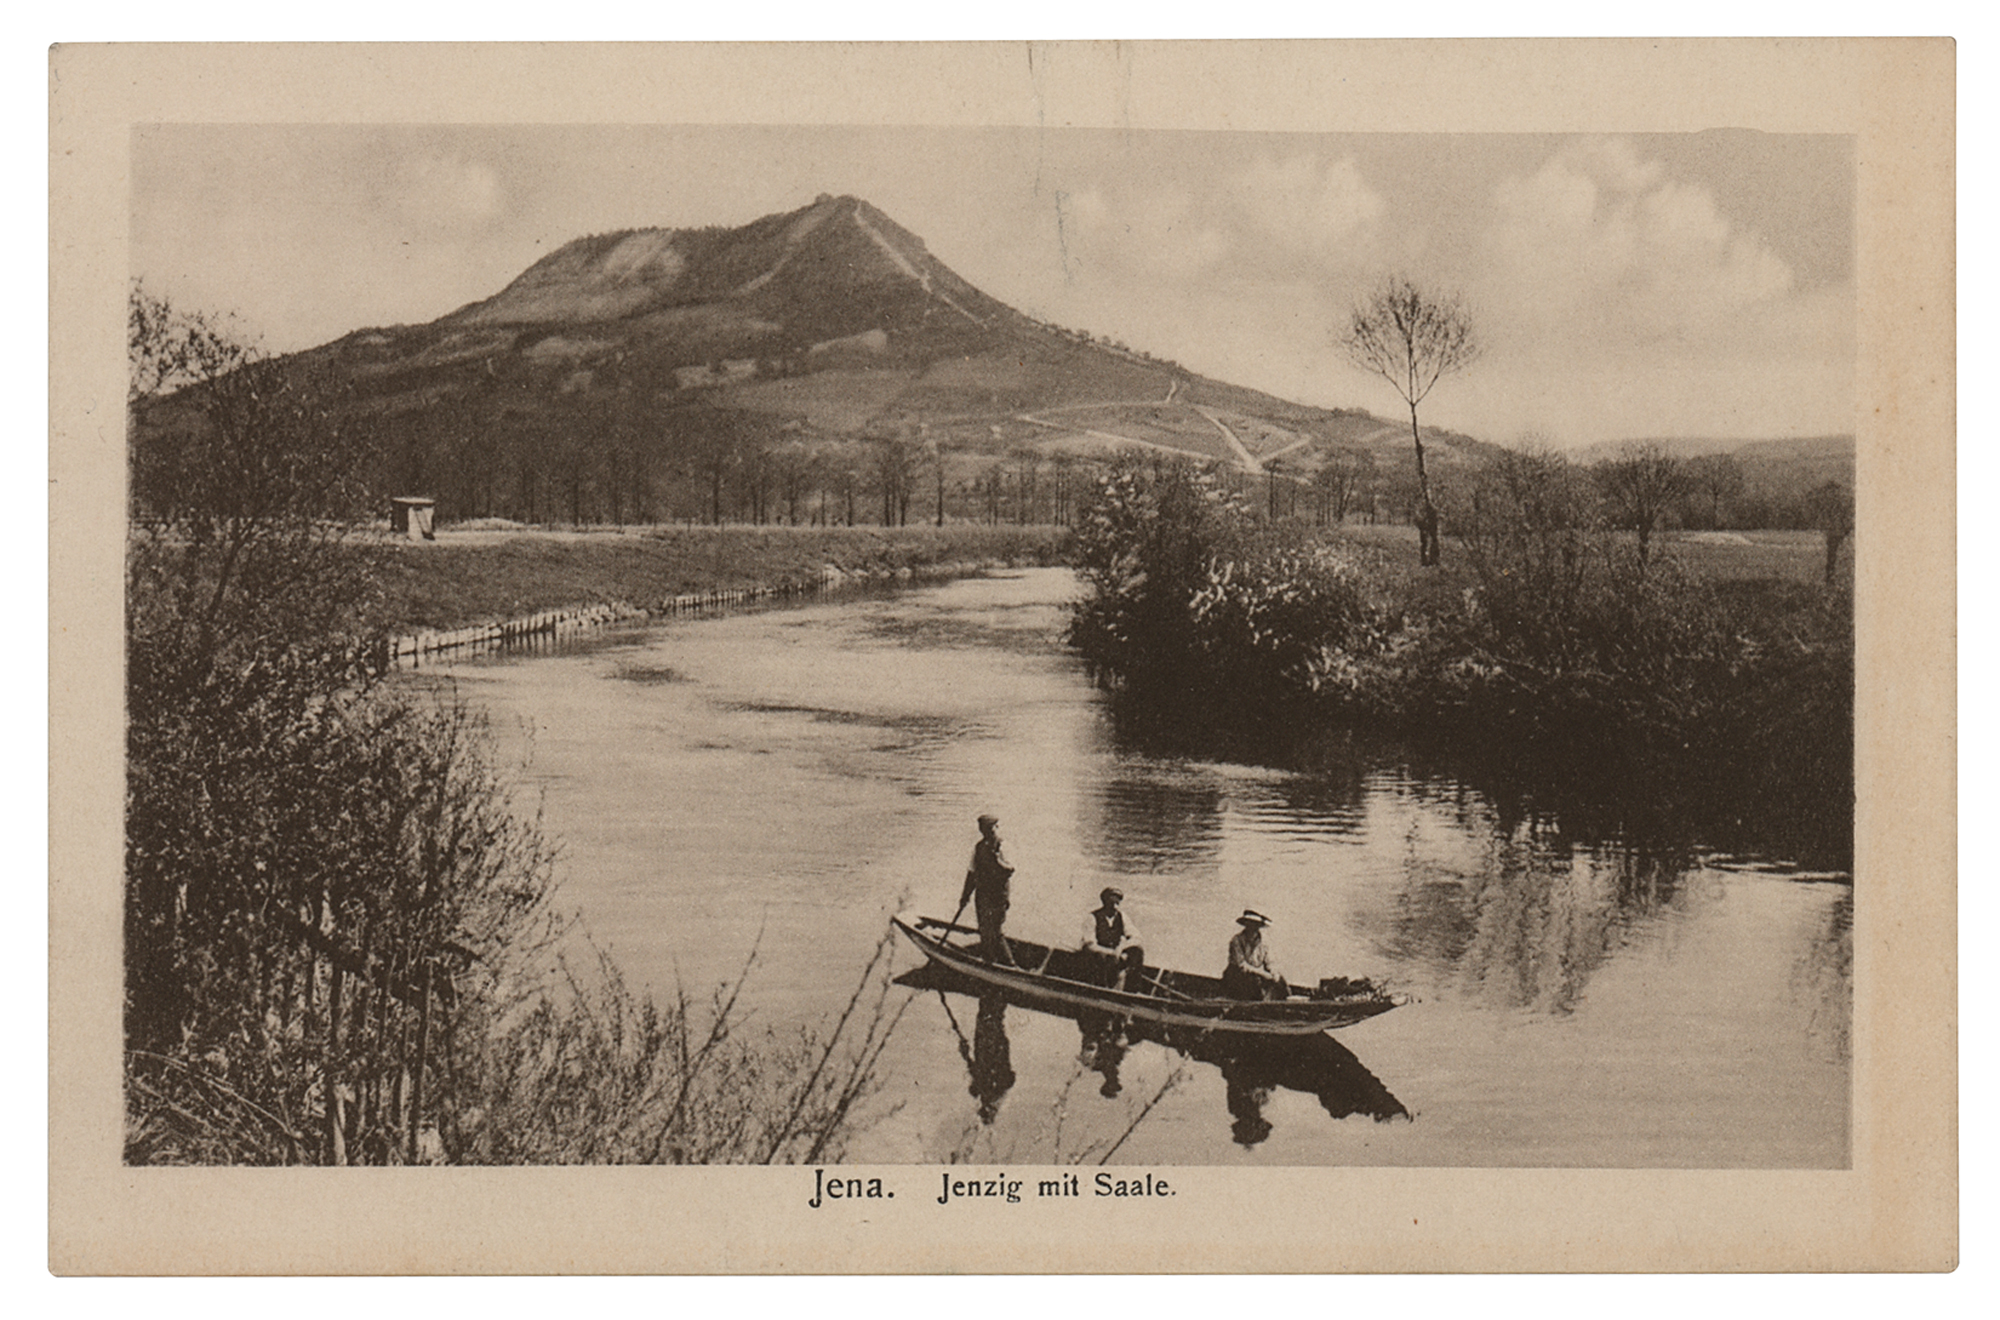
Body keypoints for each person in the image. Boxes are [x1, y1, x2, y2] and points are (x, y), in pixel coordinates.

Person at [960, 813, 1017, 966]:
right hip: (983, 895)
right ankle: (989, 961)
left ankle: (1010, 965)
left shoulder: (1004, 846)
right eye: (984, 830)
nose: (987, 833)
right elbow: (972, 873)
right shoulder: (978, 847)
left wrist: (998, 861)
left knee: (995, 931)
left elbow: (1009, 871)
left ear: (996, 827)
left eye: (990, 829)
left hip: (998, 895)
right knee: (984, 930)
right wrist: (965, 896)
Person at [1080, 886, 1145, 991]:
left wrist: (1120, 948)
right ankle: (1099, 989)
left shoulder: (1122, 917)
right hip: (1098, 956)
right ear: (1104, 902)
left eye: (1117, 901)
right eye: (1112, 902)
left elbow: (1137, 938)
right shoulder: (1092, 917)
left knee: (1137, 951)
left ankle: (1131, 991)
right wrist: (1110, 952)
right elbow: (1089, 945)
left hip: (1115, 956)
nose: (1115, 906)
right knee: (1099, 956)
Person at [1221, 909, 1288, 1001]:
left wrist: (1274, 973)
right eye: (1249, 924)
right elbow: (1242, 965)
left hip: (1255, 975)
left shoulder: (1264, 943)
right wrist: (1263, 974)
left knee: (1280, 981)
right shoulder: (1237, 940)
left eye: (1254, 924)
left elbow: (1270, 962)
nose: (1251, 927)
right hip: (1237, 976)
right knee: (1251, 983)